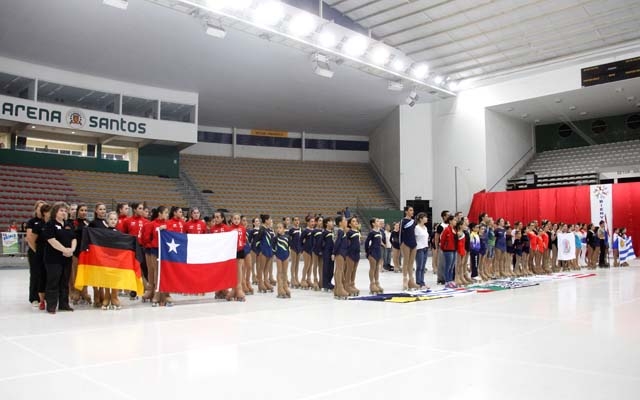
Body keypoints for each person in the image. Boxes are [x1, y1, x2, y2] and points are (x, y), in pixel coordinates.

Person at [41, 202, 76, 314]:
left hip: (67, 258)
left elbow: (73, 238)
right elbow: (52, 240)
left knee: (64, 282)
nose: (63, 213)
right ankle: (51, 305)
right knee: (53, 281)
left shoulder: (69, 224)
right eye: (61, 210)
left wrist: (71, 249)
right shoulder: (50, 224)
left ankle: (64, 304)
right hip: (53, 259)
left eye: (65, 211)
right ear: (55, 212)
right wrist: (64, 250)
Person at [27, 200, 47, 309]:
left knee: (45, 274)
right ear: (36, 209)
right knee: (35, 274)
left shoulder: (47, 221)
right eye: (40, 207)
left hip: (46, 253)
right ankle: (34, 298)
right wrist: (36, 251)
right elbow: (30, 239)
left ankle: (45, 297)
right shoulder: (32, 222)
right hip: (35, 252)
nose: (41, 209)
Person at [70, 204, 91, 305]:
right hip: (76, 251)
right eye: (82, 210)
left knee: (85, 273)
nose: (84, 212)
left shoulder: (88, 223)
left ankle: (85, 292)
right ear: (78, 211)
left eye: (86, 210)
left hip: (85, 251)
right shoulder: (73, 223)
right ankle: (76, 291)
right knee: (76, 273)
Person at [228, 213, 247, 302]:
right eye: (235, 219)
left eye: (238, 219)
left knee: (239, 268)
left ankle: (238, 287)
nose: (236, 220)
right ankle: (234, 288)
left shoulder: (242, 228)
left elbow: (243, 239)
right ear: (231, 219)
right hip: (232, 251)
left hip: (240, 250)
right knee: (233, 270)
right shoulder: (229, 229)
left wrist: (242, 246)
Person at [399, 206, 419, 291]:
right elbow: (400, 234)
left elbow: (414, 232)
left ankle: (411, 280)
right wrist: (401, 244)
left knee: (411, 263)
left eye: (413, 210)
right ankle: (405, 279)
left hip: (413, 243)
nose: (412, 211)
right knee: (406, 262)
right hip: (405, 243)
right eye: (410, 210)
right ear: (406, 212)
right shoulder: (403, 221)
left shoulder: (413, 221)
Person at [365, 218, 383, 294]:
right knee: (372, 268)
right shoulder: (371, 233)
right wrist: (368, 252)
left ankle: (377, 282)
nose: (379, 222)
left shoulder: (379, 232)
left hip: (378, 252)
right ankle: (372, 284)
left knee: (377, 268)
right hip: (372, 252)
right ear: (373, 224)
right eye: (377, 221)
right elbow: (366, 242)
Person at [256, 214, 275, 293]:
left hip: (269, 251)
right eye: (270, 219)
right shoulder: (262, 229)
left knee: (267, 268)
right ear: (266, 220)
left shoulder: (269, 229)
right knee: (261, 268)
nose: (271, 220)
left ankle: (266, 281)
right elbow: (257, 241)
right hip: (263, 251)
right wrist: (259, 251)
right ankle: (260, 283)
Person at [332, 215, 349, 299]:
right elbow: (337, 243)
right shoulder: (340, 231)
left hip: (342, 252)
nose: (346, 222)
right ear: (340, 223)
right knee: (339, 270)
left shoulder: (342, 231)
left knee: (339, 270)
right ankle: (339, 288)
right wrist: (334, 253)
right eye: (344, 220)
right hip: (339, 253)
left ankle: (336, 289)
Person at [345, 217, 361, 296]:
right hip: (350, 253)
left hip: (357, 253)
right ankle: (347, 285)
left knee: (354, 270)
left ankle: (352, 284)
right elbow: (346, 243)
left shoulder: (358, 231)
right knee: (349, 270)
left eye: (356, 221)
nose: (356, 222)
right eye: (353, 221)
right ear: (350, 224)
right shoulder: (349, 232)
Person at [274, 222, 291, 299]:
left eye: (280, 228)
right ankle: (280, 289)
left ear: (284, 229)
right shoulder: (276, 238)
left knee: (285, 272)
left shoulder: (287, 237)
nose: (278, 229)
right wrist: (275, 253)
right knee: (279, 272)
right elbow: (273, 247)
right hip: (279, 256)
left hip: (286, 256)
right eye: (277, 228)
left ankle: (285, 287)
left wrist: (288, 254)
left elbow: (289, 246)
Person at [440, 215, 457, 288]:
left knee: (452, 266)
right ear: (450, 221)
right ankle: (447, 281)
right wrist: (443, 248)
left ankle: (450, 280)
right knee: (448, 266)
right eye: (454, 220)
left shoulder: (455, 230)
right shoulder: (446, 229)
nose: (455, 222)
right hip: (448, 250)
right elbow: (442, 240)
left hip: (454, 249)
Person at [414, 212, 430, 290]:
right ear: (420, 219)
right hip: (419, 248)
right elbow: (415, 238)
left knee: (423, 267)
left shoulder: (425, 227)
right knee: (419, 266)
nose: (426, 219)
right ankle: (418, 282)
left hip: (425, 248)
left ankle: (422, 282)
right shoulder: (417, 228)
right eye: (425, 217)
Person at [434, 210, 450, 284]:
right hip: (443, 246)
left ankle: (449, 277)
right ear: (444, 217)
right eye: (448, 215)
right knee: (442, 263)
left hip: (450, 247)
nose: (449, 216)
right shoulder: (441, 226)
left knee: (450, 263)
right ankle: (440, 279)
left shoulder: (451, 225)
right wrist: (436, 247)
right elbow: (437, 237)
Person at [300, 217, 315, 290]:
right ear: (308, 222)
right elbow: (300, 240)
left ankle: (308, 279)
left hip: (312, 250)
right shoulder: (305, 231)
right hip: (306, 250)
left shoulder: (314, 230)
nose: (313, 223)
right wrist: (302, 249)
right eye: (311, 222)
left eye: (313, 222)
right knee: (307, 265)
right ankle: (303, 279)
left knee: (311, 265)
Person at [240, 216, 254, 295]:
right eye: (243, 220)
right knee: (242, 268)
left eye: (246, 220)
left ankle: (248, 282)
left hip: (247, 249)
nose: (245, 222)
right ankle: (243, 283)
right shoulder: (239, 230)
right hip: (241, 249)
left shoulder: (249, 230)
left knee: (249, 266)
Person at [321, 217, 335, 292]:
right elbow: (320, 243)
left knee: (331, 269)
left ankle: (329, 282)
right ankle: (325, 284)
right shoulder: (324, 233)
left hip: (332, 252)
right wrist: (323, 250)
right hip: (326, 252)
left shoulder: (332, 232)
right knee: (326, 268)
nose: (332, 223)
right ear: (326, 223)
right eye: (330, 221)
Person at [288, 216, 302, 289]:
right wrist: (291, 245)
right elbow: (288, 238)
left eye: (298, 220)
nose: (297, 221)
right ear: (293, 221)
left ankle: (296, 277)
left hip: (299, 248)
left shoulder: (300, 229)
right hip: (293, 248)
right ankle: (292, 278)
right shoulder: (291, 230)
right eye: (295, 220)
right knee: (293, 263)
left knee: (297, 263)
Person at [311, 216, 324, 291]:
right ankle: (315, 280)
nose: (321, 222)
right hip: (315, 250)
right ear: (316, 222)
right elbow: (312, 242)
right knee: (315, 265)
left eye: (322, 221)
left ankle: (321, 281)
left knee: (321, 266)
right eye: (319, 220)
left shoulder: (324, 231)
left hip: (322, 250)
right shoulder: (314, 231)